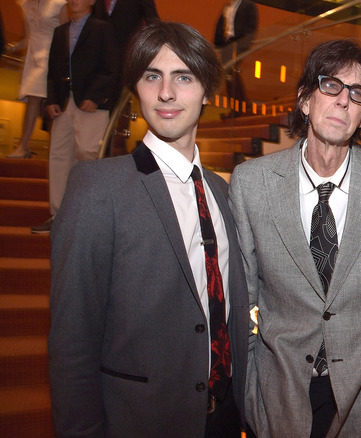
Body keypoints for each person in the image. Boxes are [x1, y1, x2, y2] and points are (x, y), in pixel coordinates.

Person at [48, 21, 249, 437]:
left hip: (226, 419)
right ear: (136, 89)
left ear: (207, 90)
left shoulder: (223, 191)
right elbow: (72, 341)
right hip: (139, 421)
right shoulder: (96, 187)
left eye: (184, 77)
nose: (166, 93)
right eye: (151, 76)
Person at [230, 38, 361, 437]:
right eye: (330, 85)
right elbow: (242, 297)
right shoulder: (252, 183)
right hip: (277, 392)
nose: (343, 101)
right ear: (304, 100)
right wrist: (249, 382)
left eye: (357, 93)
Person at [31, 0, 119, 234]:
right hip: (62, 103)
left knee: (87, 156)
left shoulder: (102, 28)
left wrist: (95, 97)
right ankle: (58, 216)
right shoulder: (60, 32)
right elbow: (52, 71)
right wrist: (50, 100)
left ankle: (88, 217)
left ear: (92, 2)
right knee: (58, 157)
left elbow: (111, 68)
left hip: (90, 104)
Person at [94, 0, 159, 156]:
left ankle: (116, 150)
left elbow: (153, 22)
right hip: (98, 62)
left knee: (120, 106)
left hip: (126, 60)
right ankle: (102, 149)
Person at [5, 0, 68, 159]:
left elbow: (67, 35)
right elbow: (28, 37)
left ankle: (26, 146)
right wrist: (10, 47)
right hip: (32, 58)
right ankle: (30, 147)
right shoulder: (25, 4)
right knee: (37, 103)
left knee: (41, 100)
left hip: (51, 56)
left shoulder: (59, 3)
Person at [214, 0, 258, 117]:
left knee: (231, 73)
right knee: (229, 75)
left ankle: (241, 106)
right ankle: (239, 107)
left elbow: (252, 27)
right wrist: (217, 44)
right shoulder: (227, 6)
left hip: (239, 43)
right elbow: (221, 25)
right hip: (226, 44)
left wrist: (244, 43)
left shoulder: (248, 5)